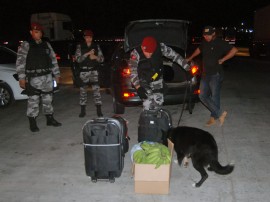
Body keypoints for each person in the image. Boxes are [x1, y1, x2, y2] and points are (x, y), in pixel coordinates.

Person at [186, 26, 238, 126]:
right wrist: (190, 58)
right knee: (202, 95)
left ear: (213, 34)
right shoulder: (204, 42)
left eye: (208, 35)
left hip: (216, 74)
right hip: (205, 74)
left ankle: (213, 118)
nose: (206, 37)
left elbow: (234, 50)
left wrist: (223, 59)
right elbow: (198, 49)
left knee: (215, 97)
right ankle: (220, 113)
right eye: (205, 35)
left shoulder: (220, 42)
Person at [16, 22, 62, 132]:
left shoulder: (46, 44)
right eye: (36, 32)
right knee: (33, 101)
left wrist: (57, 74)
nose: (38, 34)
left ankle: (49, 119)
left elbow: (53, 60)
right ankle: (32, 122)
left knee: (48, 99)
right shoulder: (26, 45)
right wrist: (21, 78)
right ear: (31, 32)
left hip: (47, 77)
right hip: (33, 78)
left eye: (40, 32)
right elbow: (20, 62)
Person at [129, 36, 191, 111]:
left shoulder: (161, 47)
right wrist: (138, 87)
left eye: (151, 52)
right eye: (146, 52)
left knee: (158, 102)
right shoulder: (135, 53)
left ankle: (157, 118)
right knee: (149, 103)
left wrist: (187, 69)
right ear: (142, 47)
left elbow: (175, 56)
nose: (148, 55)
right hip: (144, 79)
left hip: (156, 77)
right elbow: (133, 71)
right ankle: (148, 119)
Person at [75, 29, 104, 117]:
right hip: (84, 71)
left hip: (94, 70)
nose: (88, 39)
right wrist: (87, 54)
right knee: (83, 91)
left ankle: (99, 110)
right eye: (87, 37)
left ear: (92, 37)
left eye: (90, 37)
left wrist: (95, 57)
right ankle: (82, 110)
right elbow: (78, 59)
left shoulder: (96, 46)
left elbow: (102, 59)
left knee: (96, 91)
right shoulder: (80, 46)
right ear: (84, 37)